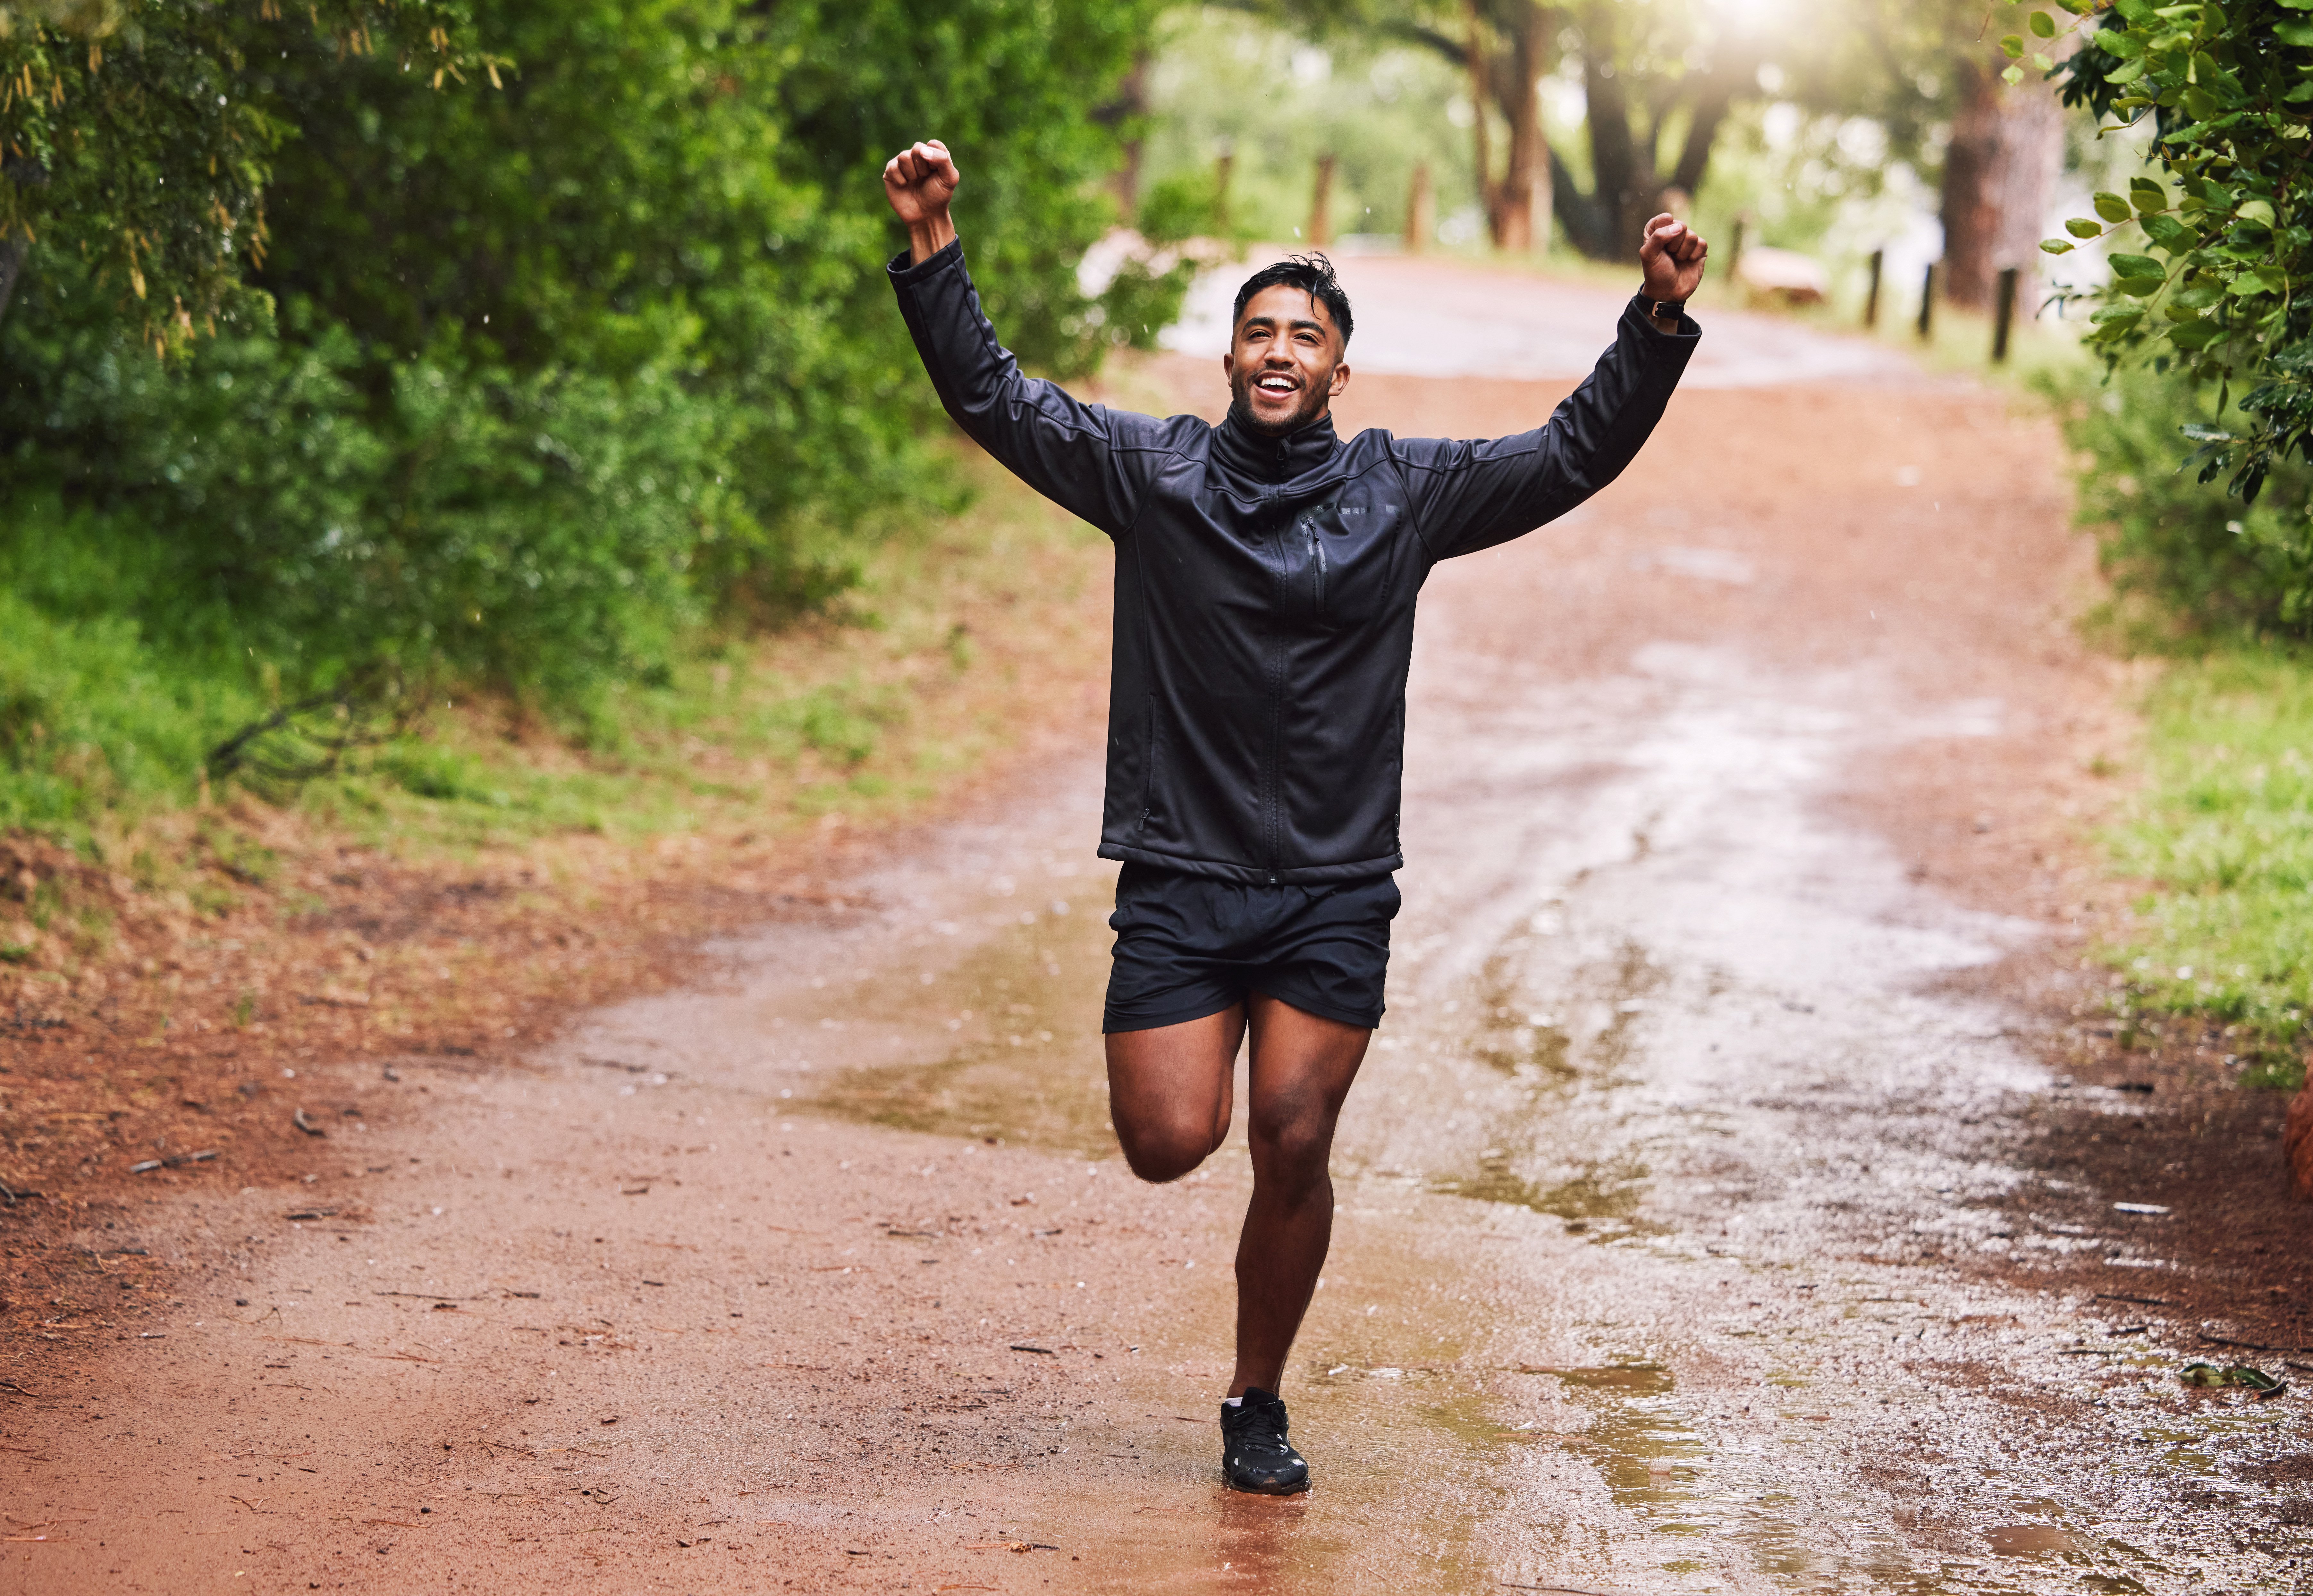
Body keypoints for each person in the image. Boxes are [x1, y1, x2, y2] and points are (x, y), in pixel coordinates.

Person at [882, 137, 1706, 1495]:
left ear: (1337, 367)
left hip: (1331, 884)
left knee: (1295, 1135)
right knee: (1167, 1143)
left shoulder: (1404, 491)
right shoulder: (1148, 477)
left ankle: (1255, 1399)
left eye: (1305, 334)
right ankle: (1239, 1305)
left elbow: (1568, 454)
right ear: (1226, 364)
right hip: (1181, 877)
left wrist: (1654, 320)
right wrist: (930, 245)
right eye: (1257, 331)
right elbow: (997, 399)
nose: (1279, 351)